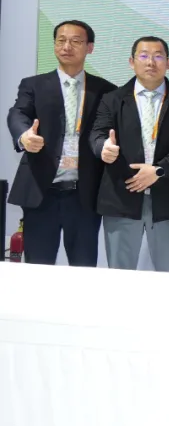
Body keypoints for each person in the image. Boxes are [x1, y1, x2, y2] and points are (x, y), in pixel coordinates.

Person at [6, 20, 117, 266]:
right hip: (41, 192)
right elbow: (18, 113)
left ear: (89, 48)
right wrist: (24, 136)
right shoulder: (33, 85)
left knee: (83, 265)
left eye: (76, 41)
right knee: (38, 265)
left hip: (84, 195)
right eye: (61, 40)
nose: (67, 46)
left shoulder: (106, 90)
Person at [90, 36, 169, 271]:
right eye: (144, 56)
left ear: (168, 63)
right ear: (132, 62)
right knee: (120, 275)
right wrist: (103, 148)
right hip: (121, 197)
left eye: (158, 56)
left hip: (167, 201)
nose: (150, 62)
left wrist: (159, 170)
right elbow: (97, 134)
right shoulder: (112, 100)